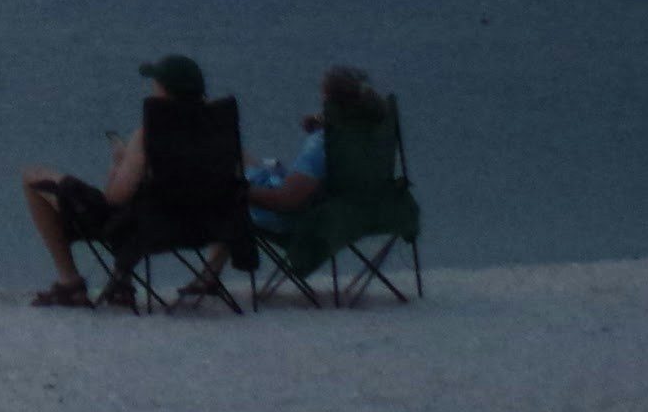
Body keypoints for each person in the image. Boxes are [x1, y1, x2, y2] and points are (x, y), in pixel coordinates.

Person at [20, 50, 232, 308]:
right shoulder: (220, 132)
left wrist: (118, 163)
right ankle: (121, 279)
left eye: (155, 84)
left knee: (33, 178)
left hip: (145, 227)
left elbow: (115, 199)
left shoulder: (149, 135)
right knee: (141, 203)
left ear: (164, 91)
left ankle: (70, 282)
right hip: (202, 226)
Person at [247, 63, 389, 221]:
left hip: (285, 215)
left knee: (226, 180)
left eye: (325, 104)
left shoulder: (322, 146)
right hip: (330, 200)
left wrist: (234, 191)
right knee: (247, 160)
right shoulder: (363, 133)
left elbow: (286, 201)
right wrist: (323, 121)